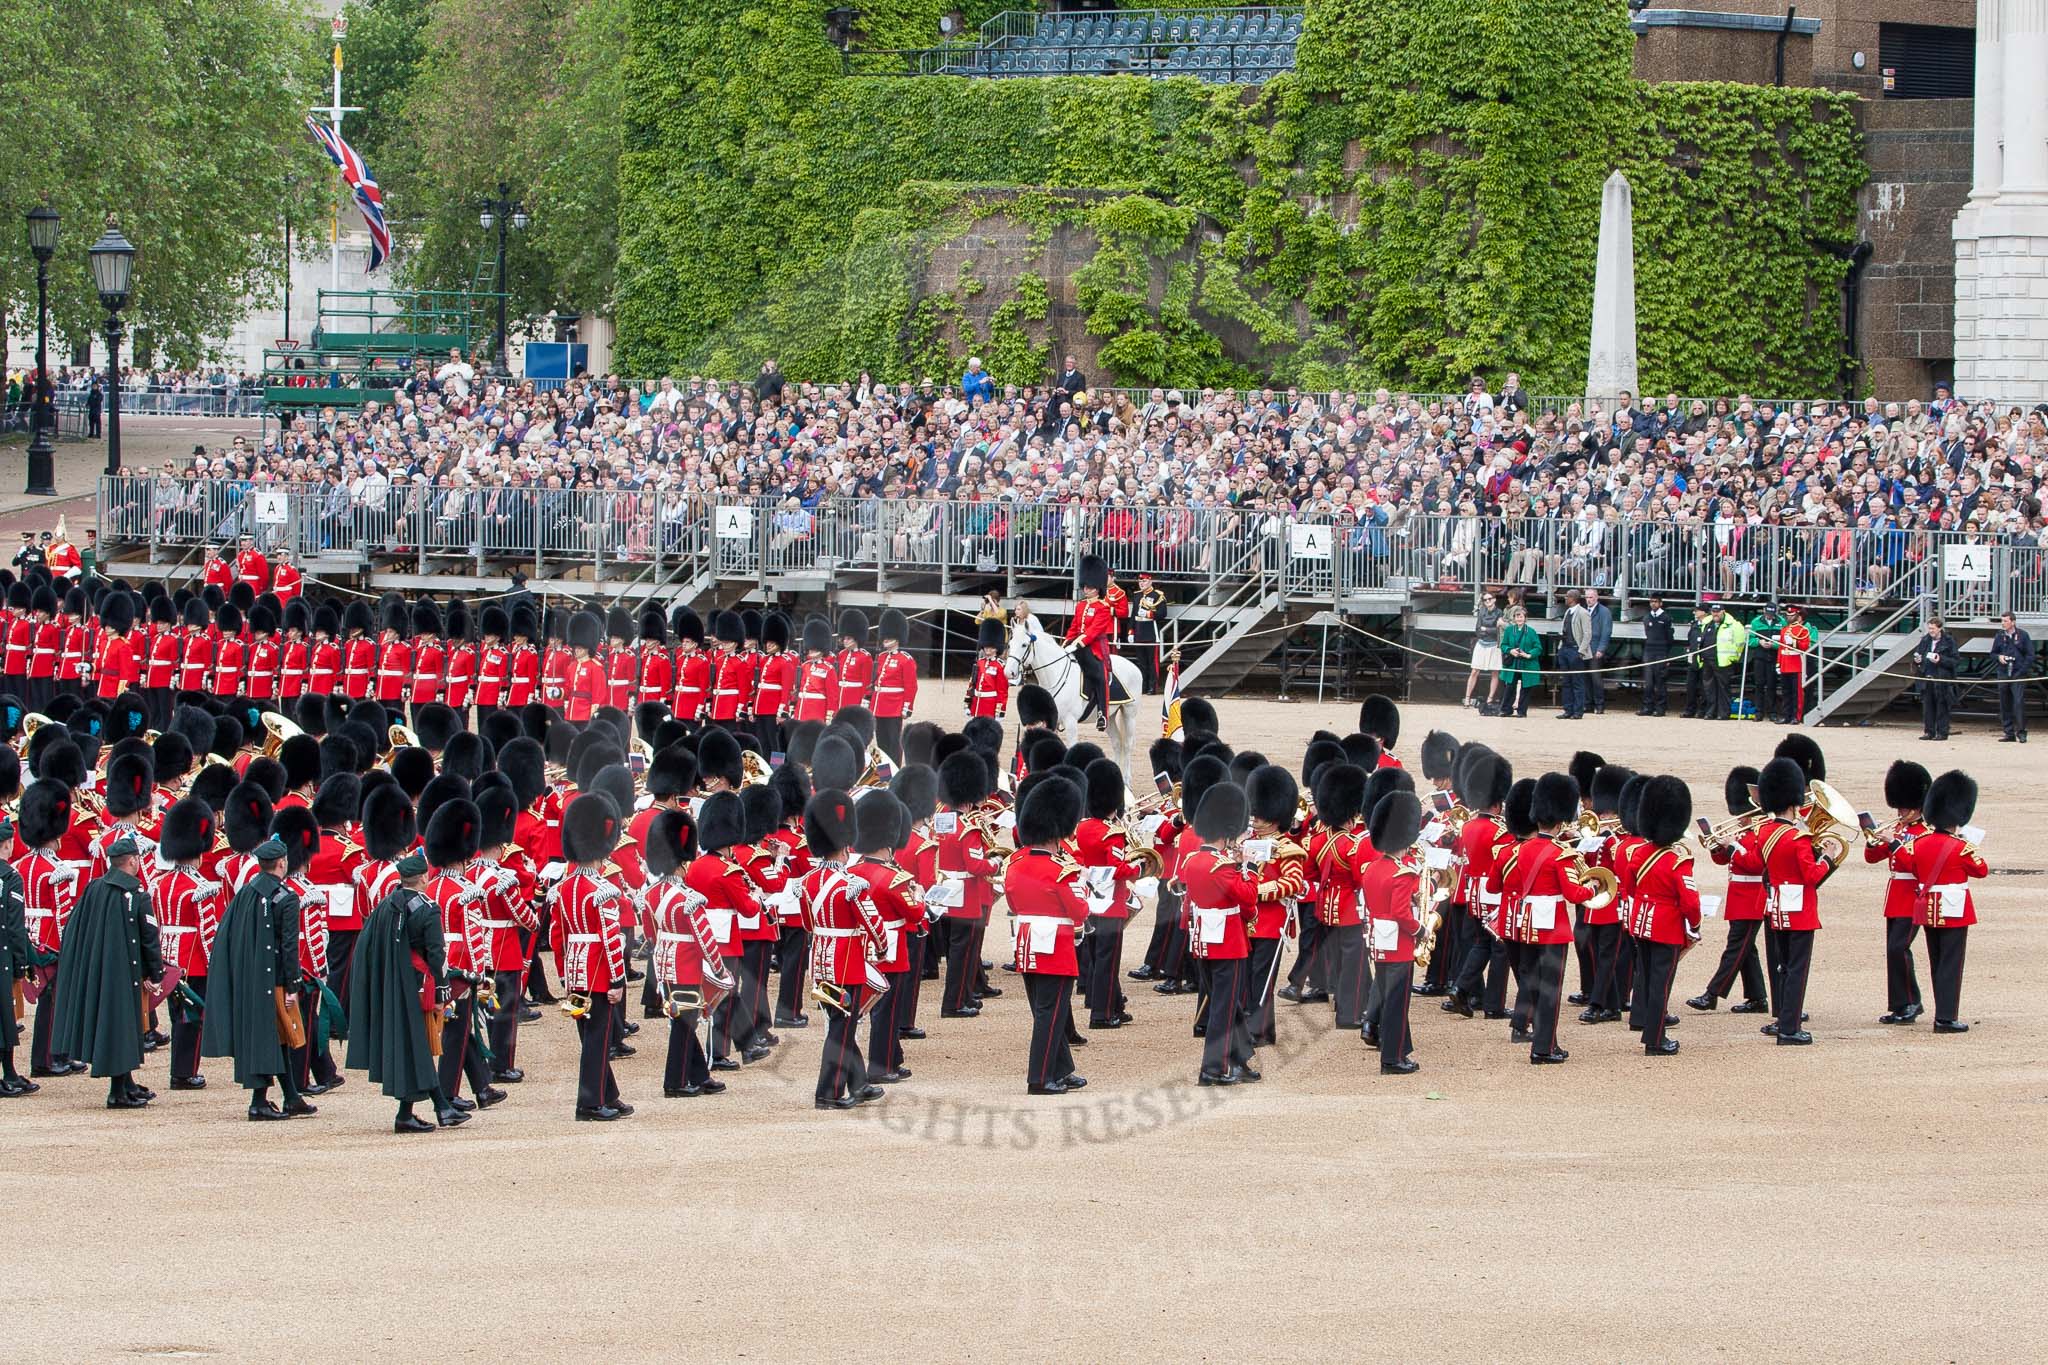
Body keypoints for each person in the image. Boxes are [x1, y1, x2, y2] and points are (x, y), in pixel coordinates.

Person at [347, 849, 469, 1132]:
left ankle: (431, 1109)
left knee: (412, 1047)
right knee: (419, 1046)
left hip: (394, 984)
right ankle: (436, 1109)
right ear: (424, 878)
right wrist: (442, 993)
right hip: (420, 986)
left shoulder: (388, 904)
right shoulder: (428, 908)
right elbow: (436, 956)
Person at [203, 835, 318, 1120]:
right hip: (276, 979)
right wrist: (293, 984)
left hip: (249, 976)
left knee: (277, 1037)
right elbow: (289, 946)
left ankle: (291, 1096)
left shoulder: (247, 891)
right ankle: (259, 1101)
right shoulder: (286, 897)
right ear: (281, 863)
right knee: (275, 1036)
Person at [50, 835, 163, 1109]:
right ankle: (118, 1092)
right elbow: (148, 937)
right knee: (121, 1028)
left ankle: (127, 1083)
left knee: (119, 1027)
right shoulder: (136, 894)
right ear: (133, 861)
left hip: (99, 968)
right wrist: (155, 973)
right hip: (125, 971)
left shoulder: (94, 888)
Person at [798, 789, 887, 1110]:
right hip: (846, 961)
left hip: (820, 959)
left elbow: (808, 924)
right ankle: (829, 1092)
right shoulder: (850, 884)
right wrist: (881, 948)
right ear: (845, 845)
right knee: (842, 1027)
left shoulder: (807, 881)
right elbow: (873, 925)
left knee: (841, 1022)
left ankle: (859, 1083)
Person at [1005, 776, 1090, 1096]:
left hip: (1026, 943)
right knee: (1050, 1014)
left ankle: (1061, 1069)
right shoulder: (1061, 869)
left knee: (1045, 1011)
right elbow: (1080, 911)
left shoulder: (1015, 863)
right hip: (1055, 945)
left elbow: (1013, 902)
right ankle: (1039, 1078)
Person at [551, 794, 632, 1120]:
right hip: (599, 970)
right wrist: (618, 979)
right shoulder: (603, 890)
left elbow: (558, 937)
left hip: (574, 968)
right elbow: (611, 940)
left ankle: (607, 1094)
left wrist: (562, 974)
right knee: (597, 1040)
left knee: (590, 1039)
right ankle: (589, 1103)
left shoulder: (564, 887)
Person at [1514, 773, 1599, 1064]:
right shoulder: (1560, 854)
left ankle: (1547, 1041)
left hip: (1527, 925)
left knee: (1535, 986)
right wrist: (1594, 887)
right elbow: (1574, 895)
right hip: (1552, 927)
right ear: (1560, 820)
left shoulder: (1523, 849)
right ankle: (1542, 1049)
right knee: (1550, 988)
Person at [644, 808, 729, 1098]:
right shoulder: (688, 899)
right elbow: (704, 939)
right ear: (682, 863)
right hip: (685, 964)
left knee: (682, 1021)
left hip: (663, 961)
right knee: (684, 1024)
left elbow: (650, 932)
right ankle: (675, 1082)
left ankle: (698, 1074)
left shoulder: (651, 894)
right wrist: (719, 969)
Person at [1752, 757, 1837, 1045]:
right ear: (1793, 801)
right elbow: (1812, 876)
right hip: (1798, 908)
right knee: (1797, 968)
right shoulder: (1797, 837)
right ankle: (1790, 1028)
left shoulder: (1764, 831)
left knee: (1784, 966)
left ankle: (1783, 1021)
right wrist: (1827, 857)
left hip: (1776, 905)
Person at [1623, 776, 1699, 1056]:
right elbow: (1690, 902)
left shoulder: (1637, 853)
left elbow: (1629, 887)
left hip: (1641, 923)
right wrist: (1695, 924)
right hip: (1666, 928)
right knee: (1661, 984)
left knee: (1646, 978)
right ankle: (1656, 1040)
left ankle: (1646, 1027)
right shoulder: (1678, 861)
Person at [1686, 766, 1770, 1015]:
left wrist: (1733, 847)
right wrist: (1717, 846)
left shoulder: (1762, 832)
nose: (1740, 817)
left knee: (1736, 948)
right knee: (1747, 949)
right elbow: (1726, 861)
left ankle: (1712, 994)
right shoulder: (1743, 832)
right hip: (1739, 897)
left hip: (1753, 898)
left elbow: (1756, 863)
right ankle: (1757, 998)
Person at [153, 797, 223, 1091]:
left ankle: (180, 1070)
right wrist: (215, 963)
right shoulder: (201, 889)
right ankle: (184, 1073)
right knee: (191, 1020)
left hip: (166, 956)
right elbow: (208, 933)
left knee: (177, 1016)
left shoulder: (158, 883)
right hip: (193, 959)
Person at [1908, 769, 1983, 1034]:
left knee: (1936, 960)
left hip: (1929, 908)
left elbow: (1914, 868)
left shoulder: (1919, 842)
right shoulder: (1960, 846)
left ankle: (1942, 1012)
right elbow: (1980, 869)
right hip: (1953, 909)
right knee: (1951, 963)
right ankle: (1946, 1017)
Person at [1359, 790, 1424, 1075]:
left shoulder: (1372, 868)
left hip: (1378, 940)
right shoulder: (1402, 873)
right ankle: (1392, 1058)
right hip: (1398, 943)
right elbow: (1401, 914)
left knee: (1389, 999)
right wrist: (1420, 929)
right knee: (1398, 1004)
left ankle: (1401, 1050)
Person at [1865, 760, 1931, 1025]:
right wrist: (1874, 839)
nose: (1901, 811)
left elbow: (1914, 865)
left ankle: (1912, 1002)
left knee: (1898, 949)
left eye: (1906, 807)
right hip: (1895, 896)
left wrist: (1893, 841)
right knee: (1893, 950)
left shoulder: (1924, 833)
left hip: (1912, 897)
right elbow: (1872, 857)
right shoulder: (1900, 829)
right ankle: (1900, 1004)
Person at [1064, 554, 1116, 731]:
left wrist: (1078, 643)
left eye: (1089, 587)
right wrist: (1066, 642)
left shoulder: (1103, 607)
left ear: (1097, 588)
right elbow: (1074, 626)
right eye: (1085, 586)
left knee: (1099, 676)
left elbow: (1094, 631)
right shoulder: (1080, 606)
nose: (1086, 589)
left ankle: (1102, 713)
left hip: (1094, 647)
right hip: (1077, 643)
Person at [870, 609, 916, 764]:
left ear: (896, 639)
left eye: (888, 637)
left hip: (894, 706)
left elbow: (911, 686)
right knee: (881, 743)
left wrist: (906, 707)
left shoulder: (906, 659)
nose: (885, 640)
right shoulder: (881, 657)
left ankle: (894, 775)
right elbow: (875, 682)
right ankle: (884, 776)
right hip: (879, 705)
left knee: (893, 743)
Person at [1992, 611, 2033, 742]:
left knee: (2018, 703)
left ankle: (2021, 732)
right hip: (2003, 672)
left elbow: (2030, 655)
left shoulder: (2023, 635)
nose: (2003, 623)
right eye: (2002, 621)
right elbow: (1992, 653)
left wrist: (2022, 670)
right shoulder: (1999, 636)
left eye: (2005, 621)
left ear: (2013, 622)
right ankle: (2008, 732)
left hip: (2018, 673)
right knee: (2004, 703)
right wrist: (1999, 657)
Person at [1916, 618, 1959, 741]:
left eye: (1933, 629)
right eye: (1929, 628)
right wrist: (1917, 660)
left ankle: (1942, 732)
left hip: (1942, 679)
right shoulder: (1925, 640)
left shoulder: (1949, 641)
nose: (1931, 631)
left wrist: (1940, 659)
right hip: (1927, 677)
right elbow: (1918, 654)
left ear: (1939, 628)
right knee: (1927, 707)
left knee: (1942, 706)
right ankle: (1929, 732)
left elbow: (1955, 661)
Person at [1495, 605, 1539, 717]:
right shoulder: (1509, 630)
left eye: (1521, 616)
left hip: (1526, 663)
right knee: (1510, 687)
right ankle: (1506, 709)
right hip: (1513, 663)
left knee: (1526, 688)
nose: (1519, 619)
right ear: (1514, 618)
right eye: (1517, 616)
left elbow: (1538, 647)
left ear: (1525, 618)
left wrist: (1528, 655)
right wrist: (1510, 651)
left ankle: (1522, 711)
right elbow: (1503, 644)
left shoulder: (1531, 631)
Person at [1467, 589, 1503, 712]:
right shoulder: (1481, 611)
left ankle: (1490, 698)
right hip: (1482, 643)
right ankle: (1467, 697)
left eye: (1489, 599)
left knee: (1495, 672)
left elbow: (1498, 631)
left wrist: (1486, 629)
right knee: (1474, 671)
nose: (1487, 601)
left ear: (1494, 599)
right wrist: (1486, 630)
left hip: (1494, 645)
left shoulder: (1499, 612)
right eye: (1485, 600)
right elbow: (1477, 628)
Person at [1638, 592, 1673, 716]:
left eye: (1655, 601)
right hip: (1649, 651)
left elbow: (1669, 638)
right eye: (1651, 601)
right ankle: (1647, 707)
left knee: (1660, 681)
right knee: (1648, 682)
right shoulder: (1647, 617)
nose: (1653, 604)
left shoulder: (1666, 618)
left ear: (1660, 603)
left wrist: (1666, 655)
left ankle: (1660, 708)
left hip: (1661, 652)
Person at [967, 618, 1009, 719]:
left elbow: (1002, 691)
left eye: (991, 647)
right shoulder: (979, 662)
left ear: (996, 648)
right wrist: (968, 703)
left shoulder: (1000, 666)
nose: (987, 649)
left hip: (990, 706)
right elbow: (972, 684)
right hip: (976, 703)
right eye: (986, 646)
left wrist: (1000, 711)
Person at [1583, 587, 1613, 715]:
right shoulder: (1584, 610)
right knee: (1585, 678)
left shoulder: (1604, 612)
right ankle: (1588, 703)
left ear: (1596, 597)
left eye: (1591, 597)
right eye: (1587, 597)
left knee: (1596, 678)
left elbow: (1606, 632)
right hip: (1585, 648)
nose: (1588, 600)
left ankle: (1599, 704)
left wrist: (1601, 649)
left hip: (1596, 648)